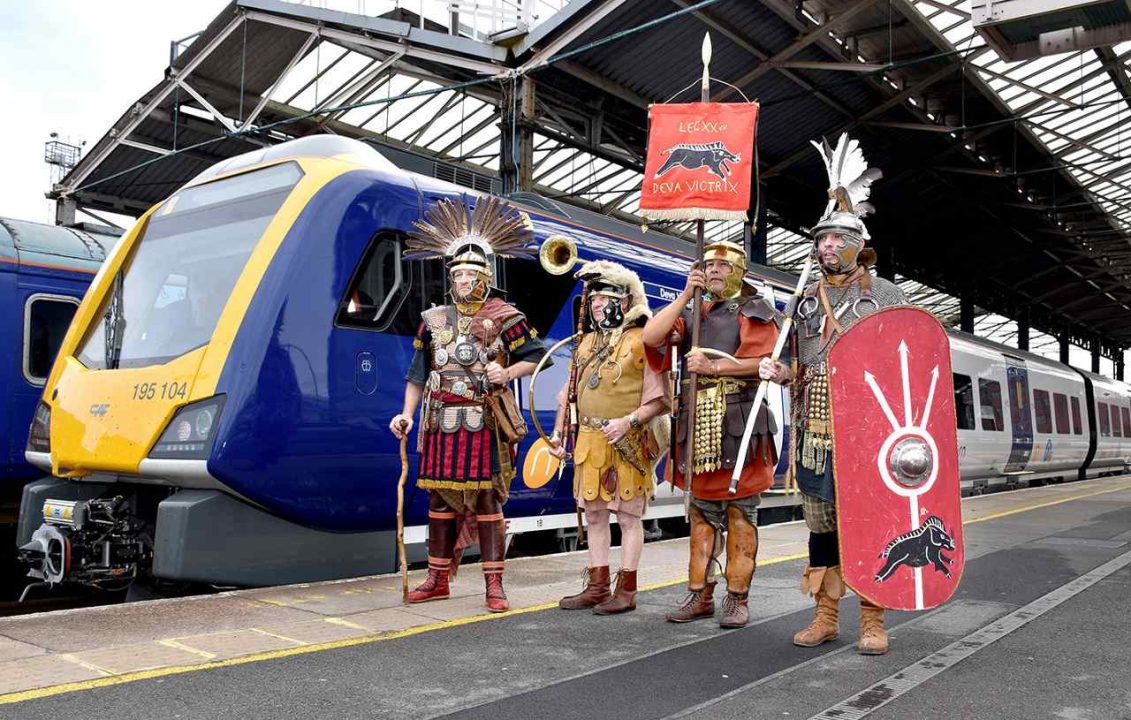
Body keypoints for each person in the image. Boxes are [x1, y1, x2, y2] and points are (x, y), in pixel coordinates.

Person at [758, 134, 906, 655]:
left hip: (868, 431)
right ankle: (825, 615)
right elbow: (801, 364)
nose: (825, 247)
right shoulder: (803, 302)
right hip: (817, 433)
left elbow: (906, 363)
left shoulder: (886, 296)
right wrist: (783, 372)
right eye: (820, 240)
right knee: (821, 529)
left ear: (856, 244)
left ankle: (873, 619)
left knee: (869, 523)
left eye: (835, 240)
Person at [389, 197, 548, 613]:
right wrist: (406, 414)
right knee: (439, 501)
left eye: (470, 274)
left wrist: (507, 374)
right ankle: (438, 578)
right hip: (440, 423)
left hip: (484, 425)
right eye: (457, 274)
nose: (462, 281)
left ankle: (494, 585)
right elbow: (418, 373)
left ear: (485, 277)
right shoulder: (434, 319)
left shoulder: (506, 316)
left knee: (486, 502)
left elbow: (536, 356)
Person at [642, 239, 780, 629]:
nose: (715, 270)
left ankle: (737, 598)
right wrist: (686, 292)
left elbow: (765, 362)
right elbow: (651, 338)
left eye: (723, 264)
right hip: (695, 425)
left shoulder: (754, 310)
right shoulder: (693, 313)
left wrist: (714, 367)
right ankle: (700, 593)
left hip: (738, 425)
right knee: (701, 517)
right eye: (709, 264)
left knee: (739, 518)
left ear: (740, 272)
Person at [547, 261, 669, 615]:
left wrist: (628, 422)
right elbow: (566, 397)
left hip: (627, 442)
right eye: (594, 298)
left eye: (605, 298)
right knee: (596, 515)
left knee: (629, 517)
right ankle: (597, 586)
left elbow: (660, 400)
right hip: (588, 441)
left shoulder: (642, 339)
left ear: (625, 300)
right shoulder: (585, 343)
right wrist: (558, 436)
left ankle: (626, 589)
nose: (597, 304)